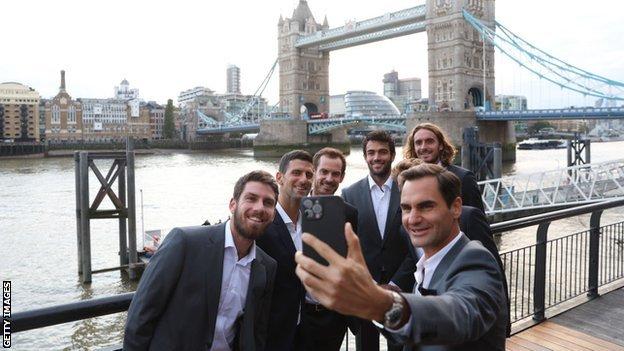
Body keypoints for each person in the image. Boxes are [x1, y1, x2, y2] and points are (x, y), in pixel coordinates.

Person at [295, 164, 508, 350]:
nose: (413, 219)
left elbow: (460, 315)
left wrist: (378, 303)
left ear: (456, 207)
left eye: (426, 206)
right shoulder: (428, 265)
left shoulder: (476, 259)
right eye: (406, 208)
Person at [124, 170, 278, 351]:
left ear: (274, 213)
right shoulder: (185, 242)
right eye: (251, 198)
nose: (259, 208)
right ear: (233, 204)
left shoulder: (266, 266)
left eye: (268, 203)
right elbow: (141, 314)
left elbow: (256, 330)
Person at [341, 130, 408, 351]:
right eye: (371, 153)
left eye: (382, 152)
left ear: (392, 155)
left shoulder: (406, 190)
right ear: (365, 156)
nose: (376, 157)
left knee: (400, 345)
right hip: (365, 289)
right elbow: (347, 245)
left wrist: (396, 282)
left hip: (401, 288)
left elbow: (416, 245)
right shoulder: (349, 194)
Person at [300, 147, 359, 351]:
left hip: (332, 315)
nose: (329, 178)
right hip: (297, 313)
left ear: (342, 177)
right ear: (314, 172)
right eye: (324, 172)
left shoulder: (350, 214)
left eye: (335, 173)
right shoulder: (294, 206)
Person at [256, 150, 314, 351]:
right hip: (270, 334)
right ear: (279, 177)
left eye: (309, 175)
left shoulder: (312, 223)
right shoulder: (262, 222)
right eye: (296, 173)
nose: (304, 179)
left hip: (304, 331)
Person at [404, 123, 485, 212]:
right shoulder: (407, 180)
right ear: (414, 148)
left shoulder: (463, 178)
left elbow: (477, 219)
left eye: (429, 141)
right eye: (418, 143)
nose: (423, 147)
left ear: (441, 145)